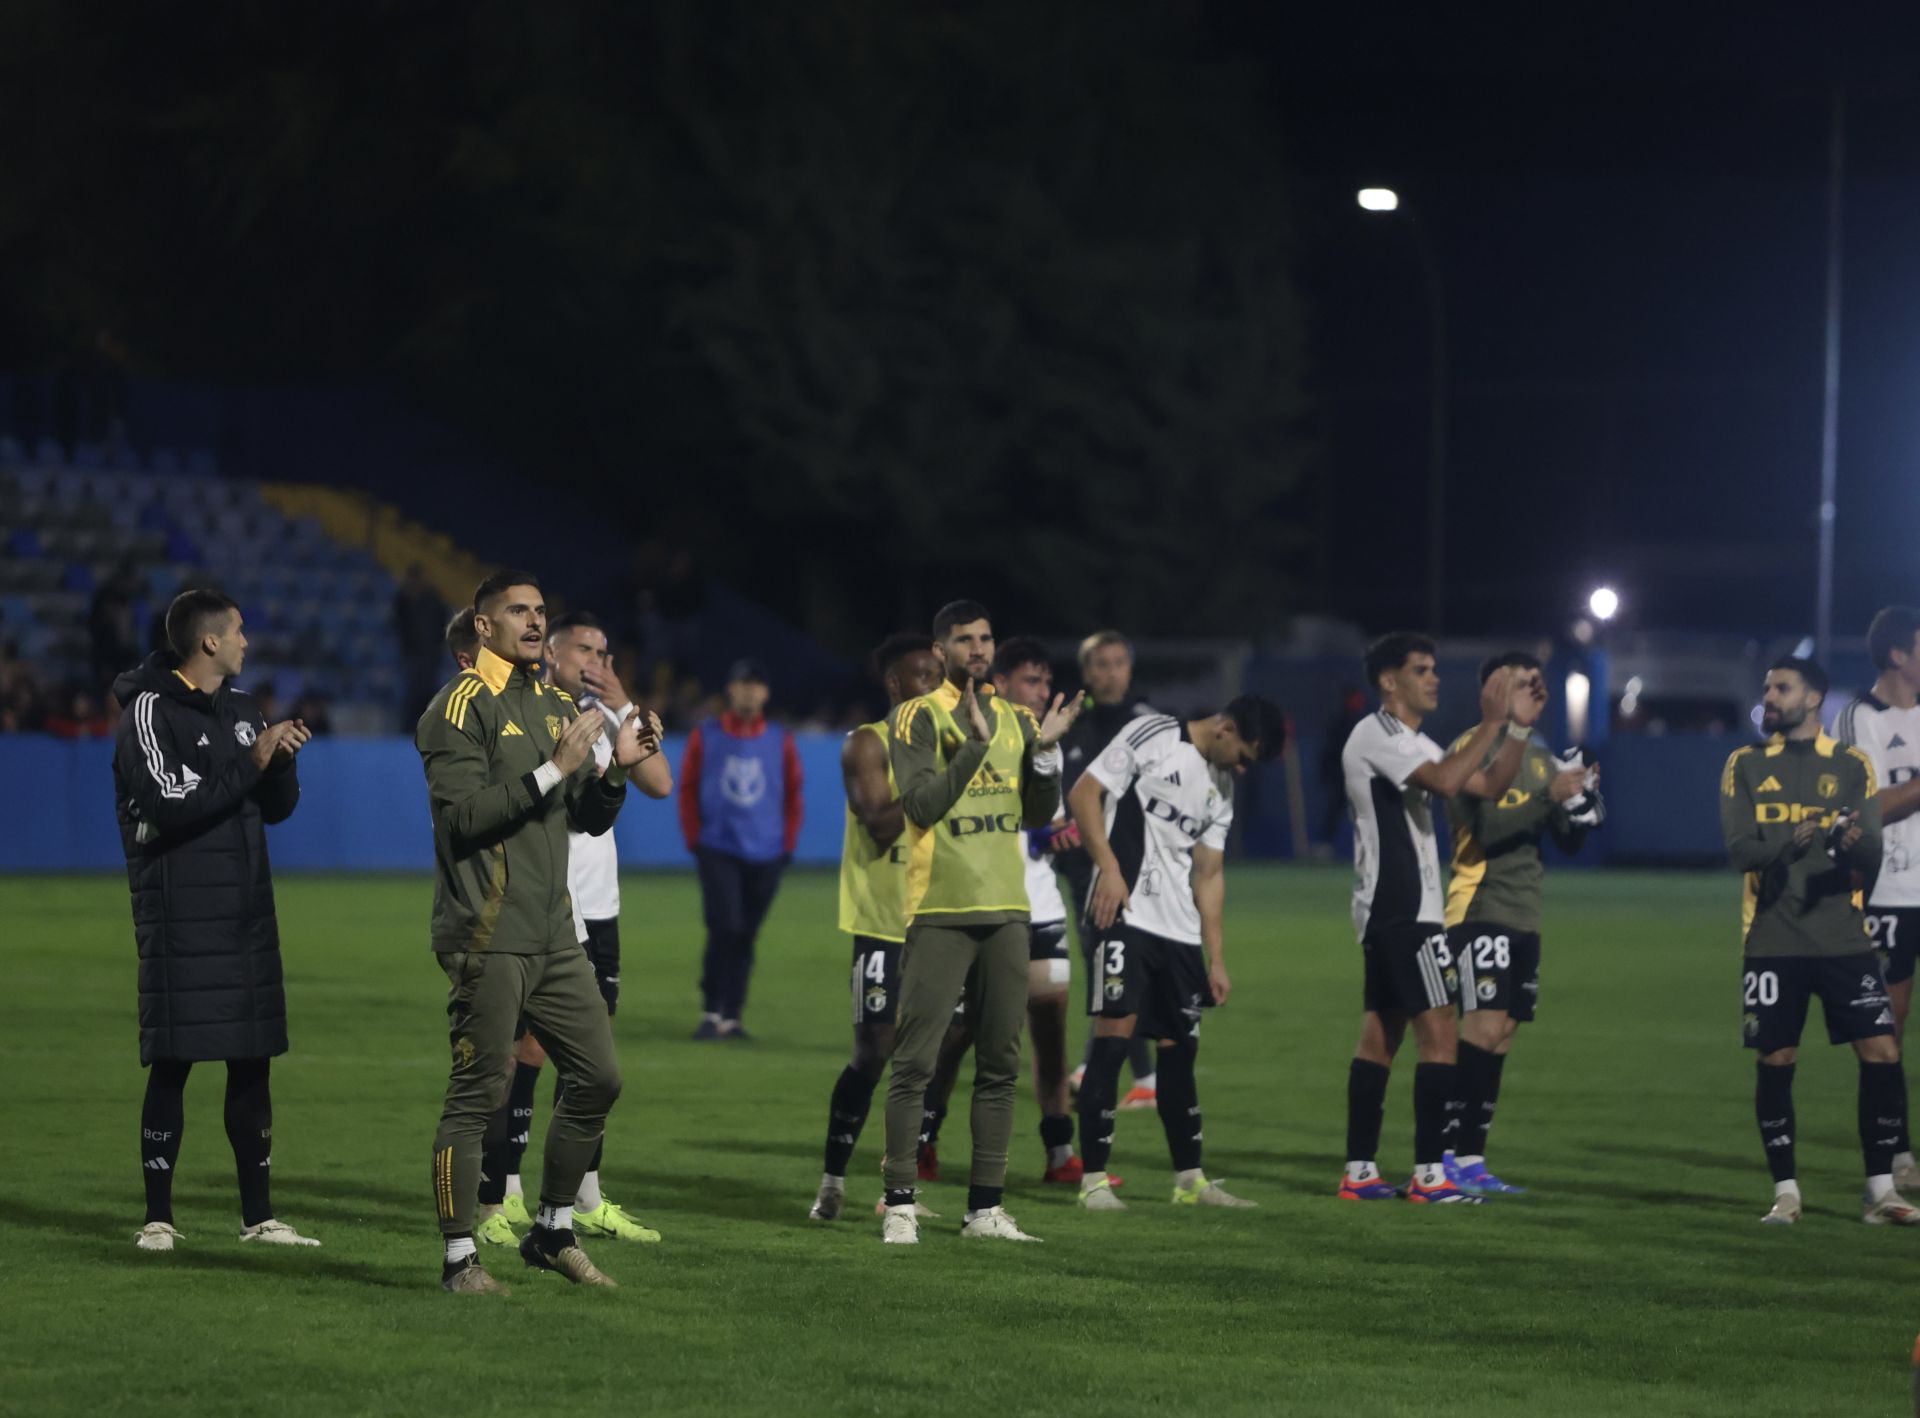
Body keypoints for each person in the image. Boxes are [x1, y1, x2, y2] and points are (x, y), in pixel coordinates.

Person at [416, 569, 661, 1294]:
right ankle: (460, 1257)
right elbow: (461, 819)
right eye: (516, 611)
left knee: (598, 1078)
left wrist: (614, 772)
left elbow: (584, 815)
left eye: (538, 610)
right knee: (478, 1091)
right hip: (487, 931)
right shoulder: (456, 707)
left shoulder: (558, 704)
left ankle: (553, 1229)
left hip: (556, 933)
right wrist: (555, 771)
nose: (532, 620)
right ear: (483, 626)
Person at [113, 588, 318, 1252]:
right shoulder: (148, 710)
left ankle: (258, 1218)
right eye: (238, 632)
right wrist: (251, 760)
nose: (246, 643)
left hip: (245, 913)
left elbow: (273, 807)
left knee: (251, 1062)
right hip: (181, 913)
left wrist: (280, 763)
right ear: (209, 642)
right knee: (173, 1062)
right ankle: (158, 1217)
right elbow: (170, 801)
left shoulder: (241, 709)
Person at [878, 600, 1080, 1245]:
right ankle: (901, 1205)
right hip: (940, 910)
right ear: (940, 651)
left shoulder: (1019, 717)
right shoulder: (915, 716)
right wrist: (973, 747)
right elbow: (920, 805)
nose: (979, 648)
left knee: (1001, 1063)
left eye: (986, 637)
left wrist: (1045, 754)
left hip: (1008, 910)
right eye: (965, 639)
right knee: (915, 1063)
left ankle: (985, 1210)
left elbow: (1036, 814)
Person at [473, 610, 673, 1249]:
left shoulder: (605, 713)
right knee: (524, 1053)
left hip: (600, 905)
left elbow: (660, 783)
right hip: (549, 903)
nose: (596, 660)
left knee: (590, 1055)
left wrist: (626, 707)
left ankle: (585, 1198)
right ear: (551, 651)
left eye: (605, 649)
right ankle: (500, 1194)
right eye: (584, 648)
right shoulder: (533, 711)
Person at [1339, 632, 1541, 1204]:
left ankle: (1359, 1173)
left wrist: (1516, 729)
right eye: (1422, 670)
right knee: (1441, 1034)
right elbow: (1450, 781)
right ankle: (1431, 1176)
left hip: (1397, 909)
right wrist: (1490, 720)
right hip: (1404, 910)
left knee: (1380, 1040)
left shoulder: (1411, 740)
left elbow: (1489, 784)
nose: (1433, 679)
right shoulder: (1376, 734)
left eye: (1434, 670)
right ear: (1388, 680)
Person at [1070, 695, 1287, 1212]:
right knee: (1113, 1037)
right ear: (1226, 726)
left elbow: (1208, 874)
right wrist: (1109, 867)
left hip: (1180, 932)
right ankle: (1093, 1182)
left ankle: (1189, 1181)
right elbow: (1085, 793)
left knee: (1179, 1052)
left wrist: (1216, 957)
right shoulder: (1153, 735)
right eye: (1244, 757)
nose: (1241, 768)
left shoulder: (1223, 785)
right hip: (1122, 912)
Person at [1722, 656, 1917, 1225]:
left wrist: (1846, 844)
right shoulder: (1746, 764)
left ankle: (1880, 1192)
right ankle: (1786, 1192)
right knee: (1777, 1057)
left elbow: (1871, 854)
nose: (1770, 697)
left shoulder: (1853, 764)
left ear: (1813, 699)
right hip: (1773, 939)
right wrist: (1794, 840)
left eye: (1781, 688)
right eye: (1768, 687)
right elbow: (1740, 851)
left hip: (1842, 938)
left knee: (1881, 1050)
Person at [917, 637, 1094, 1187]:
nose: (1043, 692)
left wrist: (1062, 834)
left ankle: (1059, 1149)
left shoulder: (1046, 740)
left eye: (1046, 682)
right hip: (980, 901)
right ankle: (925, 1133)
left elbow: (1045, 821)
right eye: (1032, 681)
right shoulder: (972, 731)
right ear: (1003, 682)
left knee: (1049, 1024)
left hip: (1036, 904)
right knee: (961, 1031)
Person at [1440, 651, 1604, 1196]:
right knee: (1482, 1028)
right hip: (1479, 904)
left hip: (1525, 913)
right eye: (1516, 682)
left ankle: (1471, 1158)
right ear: (1491, 691)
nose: (1529, 690)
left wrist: (1581, 801)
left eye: (1534, 683)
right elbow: (1486, 828)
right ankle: (1441, 1155)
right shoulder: (1468, 750)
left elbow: (1568, 840)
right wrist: (1547, 797)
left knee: (1503, 1035)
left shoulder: (1541, 756)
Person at [809, 633, 944, 1221]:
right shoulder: (868, 744)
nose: (935, 688)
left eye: (940, 676)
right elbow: (881, 822)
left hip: (944, 922)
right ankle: (832, 1182)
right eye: (923, 677)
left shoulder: (954, 744)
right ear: (895, 684)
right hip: (884, 924)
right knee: (874, 1053)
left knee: (929, 1060)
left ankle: (899, 1192)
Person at [1058, 630, 1159, 1108]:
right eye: (1101, 663)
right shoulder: (1074, 728)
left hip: (1131, 872)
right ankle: (1145, 1080)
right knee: (1111, 970)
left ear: (1130, 669)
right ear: (1086, 673)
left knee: (1114, 970)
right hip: (1082, 872)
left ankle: (1089, 1071)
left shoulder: (1148, 727)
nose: (1111, 671)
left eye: (1119, 662)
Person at [1838, 606, 1920, 1190]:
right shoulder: (1857, 719)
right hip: (1890, 890)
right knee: (1888, 1028)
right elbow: (1861, 811)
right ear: (1898, 654)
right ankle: (1895, 1156)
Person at [678, 659, 803, 1038]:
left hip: (767, 851)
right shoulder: (706, 735)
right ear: (730, 691)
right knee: (726, 926)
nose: (749, 691)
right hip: (719, 847)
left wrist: (787, 845)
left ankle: (731, 1014)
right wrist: (695, 839)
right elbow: (687, 788)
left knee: (745, 932)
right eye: (742, 684)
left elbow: (794, 794)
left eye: (755, 685)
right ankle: (712, 1008)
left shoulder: (781, 740)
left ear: (765, 693)